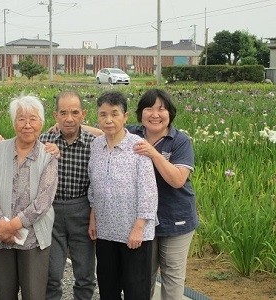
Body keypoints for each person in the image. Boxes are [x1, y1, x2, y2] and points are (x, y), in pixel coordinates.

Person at [0, 94, 58, 300]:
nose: (27, 125)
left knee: (34, 294)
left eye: (33, 119)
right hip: (1, 236)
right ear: (14, 123)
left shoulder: (48, 156)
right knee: (4, 294)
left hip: (33, 238)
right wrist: (2, 225)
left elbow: (44, 200)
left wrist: (13, 225)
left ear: (41, 123)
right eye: (21, 119)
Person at [88, 90, 158, 300]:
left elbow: (149, 192)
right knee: (108, 289)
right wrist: (93, 217)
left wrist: (138, 228)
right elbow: (94, 184)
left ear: (125, 116)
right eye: (103, 114)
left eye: (114, 113)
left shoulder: (137, 146)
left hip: (134, 234)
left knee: (135, 290)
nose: (108, 120)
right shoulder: (96, 146)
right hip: (106, 230)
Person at [129, 89, 199, 300]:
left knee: (172, 278)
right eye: (149, 108)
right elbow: (105, 131)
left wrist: (153, 153)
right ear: (140, 113)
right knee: (142, 276)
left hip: (176, 218)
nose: (155, 114)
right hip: (143, 219)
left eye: (161, 109)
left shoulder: (179, 141)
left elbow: (177, 180)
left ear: (170, 113)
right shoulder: (133, 134)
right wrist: (73, 126)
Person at [41, 91, 96, 300]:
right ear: (55, 115)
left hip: (82, 210)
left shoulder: (94, 144)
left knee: (85, 274)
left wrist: (94, 215)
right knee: (51, 274)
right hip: (51, 211)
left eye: (75, 112)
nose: (69, 118)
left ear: (83, 114)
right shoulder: (44, 140)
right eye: (63, 113)